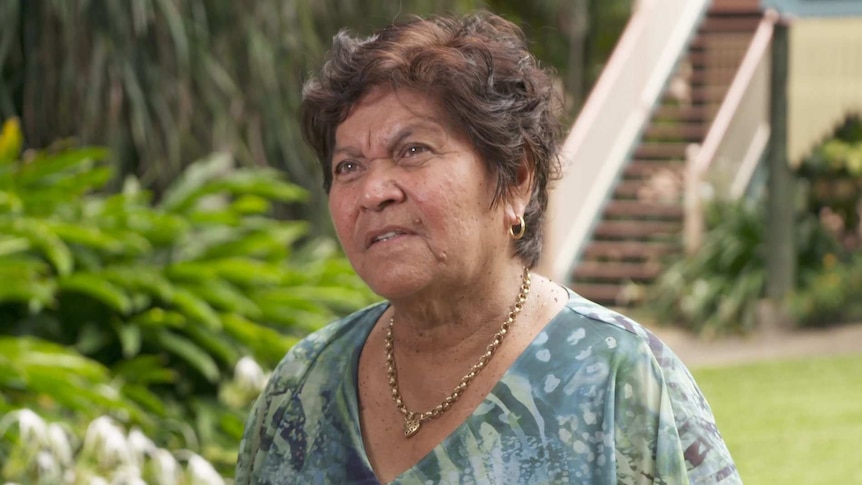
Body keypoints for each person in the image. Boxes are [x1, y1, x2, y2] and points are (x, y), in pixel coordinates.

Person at [236, 11, 740, 484]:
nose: (373, 191)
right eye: (348, 166)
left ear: (516, 177)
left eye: (413, 151)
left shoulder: (620, 377)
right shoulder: (301, 389)